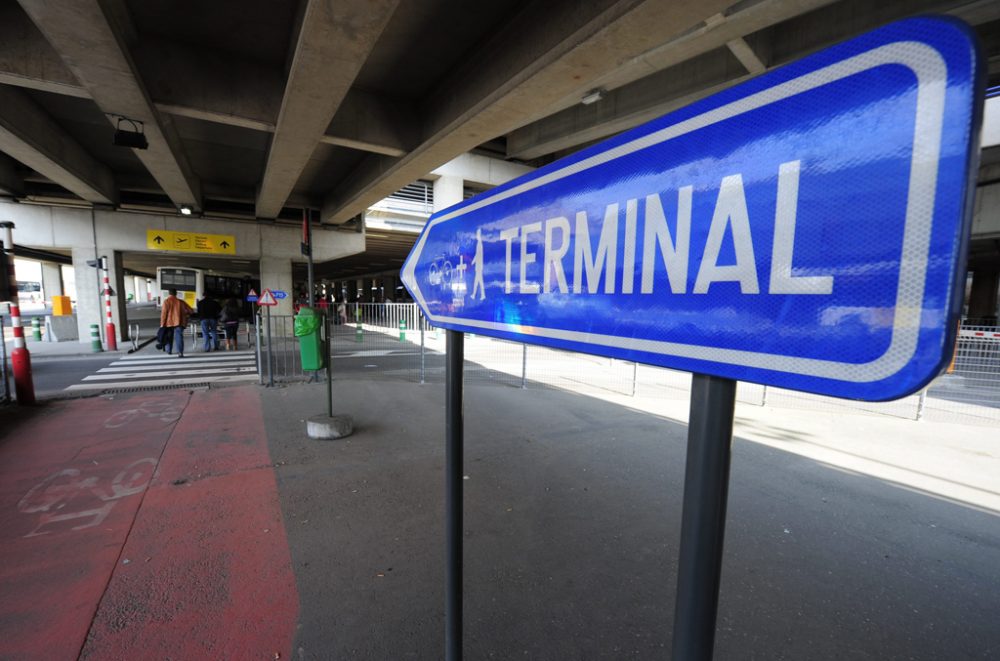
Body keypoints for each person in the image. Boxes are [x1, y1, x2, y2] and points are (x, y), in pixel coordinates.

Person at [160, 288, 192, 357]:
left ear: (169, 293)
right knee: (179, 337)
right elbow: (191, 310)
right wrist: (186, 315)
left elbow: (164, 314)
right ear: (176, 293)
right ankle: (180, 352)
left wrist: (162, 324)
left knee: (169, 337)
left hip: (169, 323)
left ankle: (169, 351)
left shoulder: (166, 301)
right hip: (179, 322)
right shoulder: (180, 302)